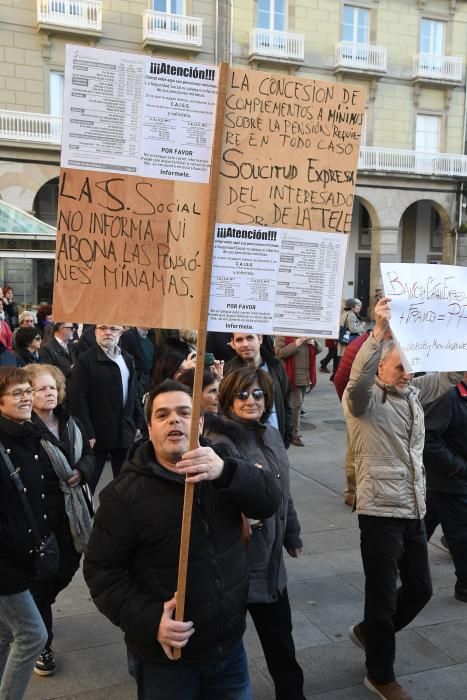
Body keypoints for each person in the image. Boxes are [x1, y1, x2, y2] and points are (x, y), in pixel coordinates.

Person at [83, 379, 281, 700]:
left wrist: (227, 472)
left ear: (200, 422)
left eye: (184, 412)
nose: (174, 420)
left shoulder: (221, 460)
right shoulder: (123, 495)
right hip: (167, 659)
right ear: (149, 428)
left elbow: (269, 500)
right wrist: (150, 620)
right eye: (162, 415)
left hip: (228, 648)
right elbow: (100, 572)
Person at [343, 296, 464, 700]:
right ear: (380, 366)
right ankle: (380, 674)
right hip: (379, 511)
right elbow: (356, 380)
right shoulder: (364, 402)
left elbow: (449, 376)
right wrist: (377, 331)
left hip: (413, 507)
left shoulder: (411, 394)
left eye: (411, 369)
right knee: (380, 599)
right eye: (399, 368)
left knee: (421, 588)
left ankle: (370, 634)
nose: (407, 375)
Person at [204, 367, 305, 700]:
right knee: (223, 648)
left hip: (271, 564)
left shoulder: (272, 435)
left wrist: (292, 532)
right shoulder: (220, 444)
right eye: (242, 394)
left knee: (281, 641)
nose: (251, 400)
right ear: (229, 399)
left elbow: (283, 492)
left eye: (258, 394)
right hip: (237, 565)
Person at [23, 363, 94, 676]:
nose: (48, 393)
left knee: (66, 569)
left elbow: (90, 454)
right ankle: (43, 645)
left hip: (73, 517)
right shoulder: (22, 427)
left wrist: (84, 471)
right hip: (42, 518)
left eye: (52, 387)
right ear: (28, 394)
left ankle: (35, 613)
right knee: (40, 582)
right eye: (40, 388)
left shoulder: (69, 421)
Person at [0, 367, 48, 698]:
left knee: (4, 633)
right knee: (33, 635)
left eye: (28, 390)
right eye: (17, 393)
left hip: (22, 555)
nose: (27, 397)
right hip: (6, 562)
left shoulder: (26, 433)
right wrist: (18, 542)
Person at [69, 324, 144, 492]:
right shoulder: (85, 360)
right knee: (88, 486)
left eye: (113, 329)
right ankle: (84, 517)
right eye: (103, 328)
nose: (108, 332)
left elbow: (134, 394)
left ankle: (118, 518)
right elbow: (77, 399)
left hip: (124, 433)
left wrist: (138, 422)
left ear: (121, 332)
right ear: (95, 332)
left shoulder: (127, 358)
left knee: (125, 487)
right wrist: (87, 431)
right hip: (96, 436)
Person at [423, 375, 467, 602]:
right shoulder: (448, 397)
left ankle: (403, 559)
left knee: (428, 519)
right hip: (451, 479)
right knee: (461, 532)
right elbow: (429, 440)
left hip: (450, 481)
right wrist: (456, 468)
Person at [224, 332, 292, 448]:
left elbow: (286, 402)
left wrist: (287, 436)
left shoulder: (275, 366)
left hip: (276, 441)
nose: (245, 344)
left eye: (250, 338)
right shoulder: (229, 371)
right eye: (239, 340)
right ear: (233, 343)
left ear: (260, 338)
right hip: (245, 445)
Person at [275, 336, 322, 446]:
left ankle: (287, 430)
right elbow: (279, 353)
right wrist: (296, 343)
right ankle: (294, 434)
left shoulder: (309, 331)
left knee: (296, 406)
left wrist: (313, 343)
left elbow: (319, 349)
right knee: (296, 405)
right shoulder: (282, 333)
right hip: (290, 375)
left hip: (305, 375)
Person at [336, 298, 366, 372]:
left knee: (343, 361)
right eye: (356, 306)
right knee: (348, 362)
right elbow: (354, 329)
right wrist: (362, 325)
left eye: (359, 306)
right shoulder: (351, 315)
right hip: (349, 341)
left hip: (344, 339)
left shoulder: (344, 313)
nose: (358, 307)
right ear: (351, 307)